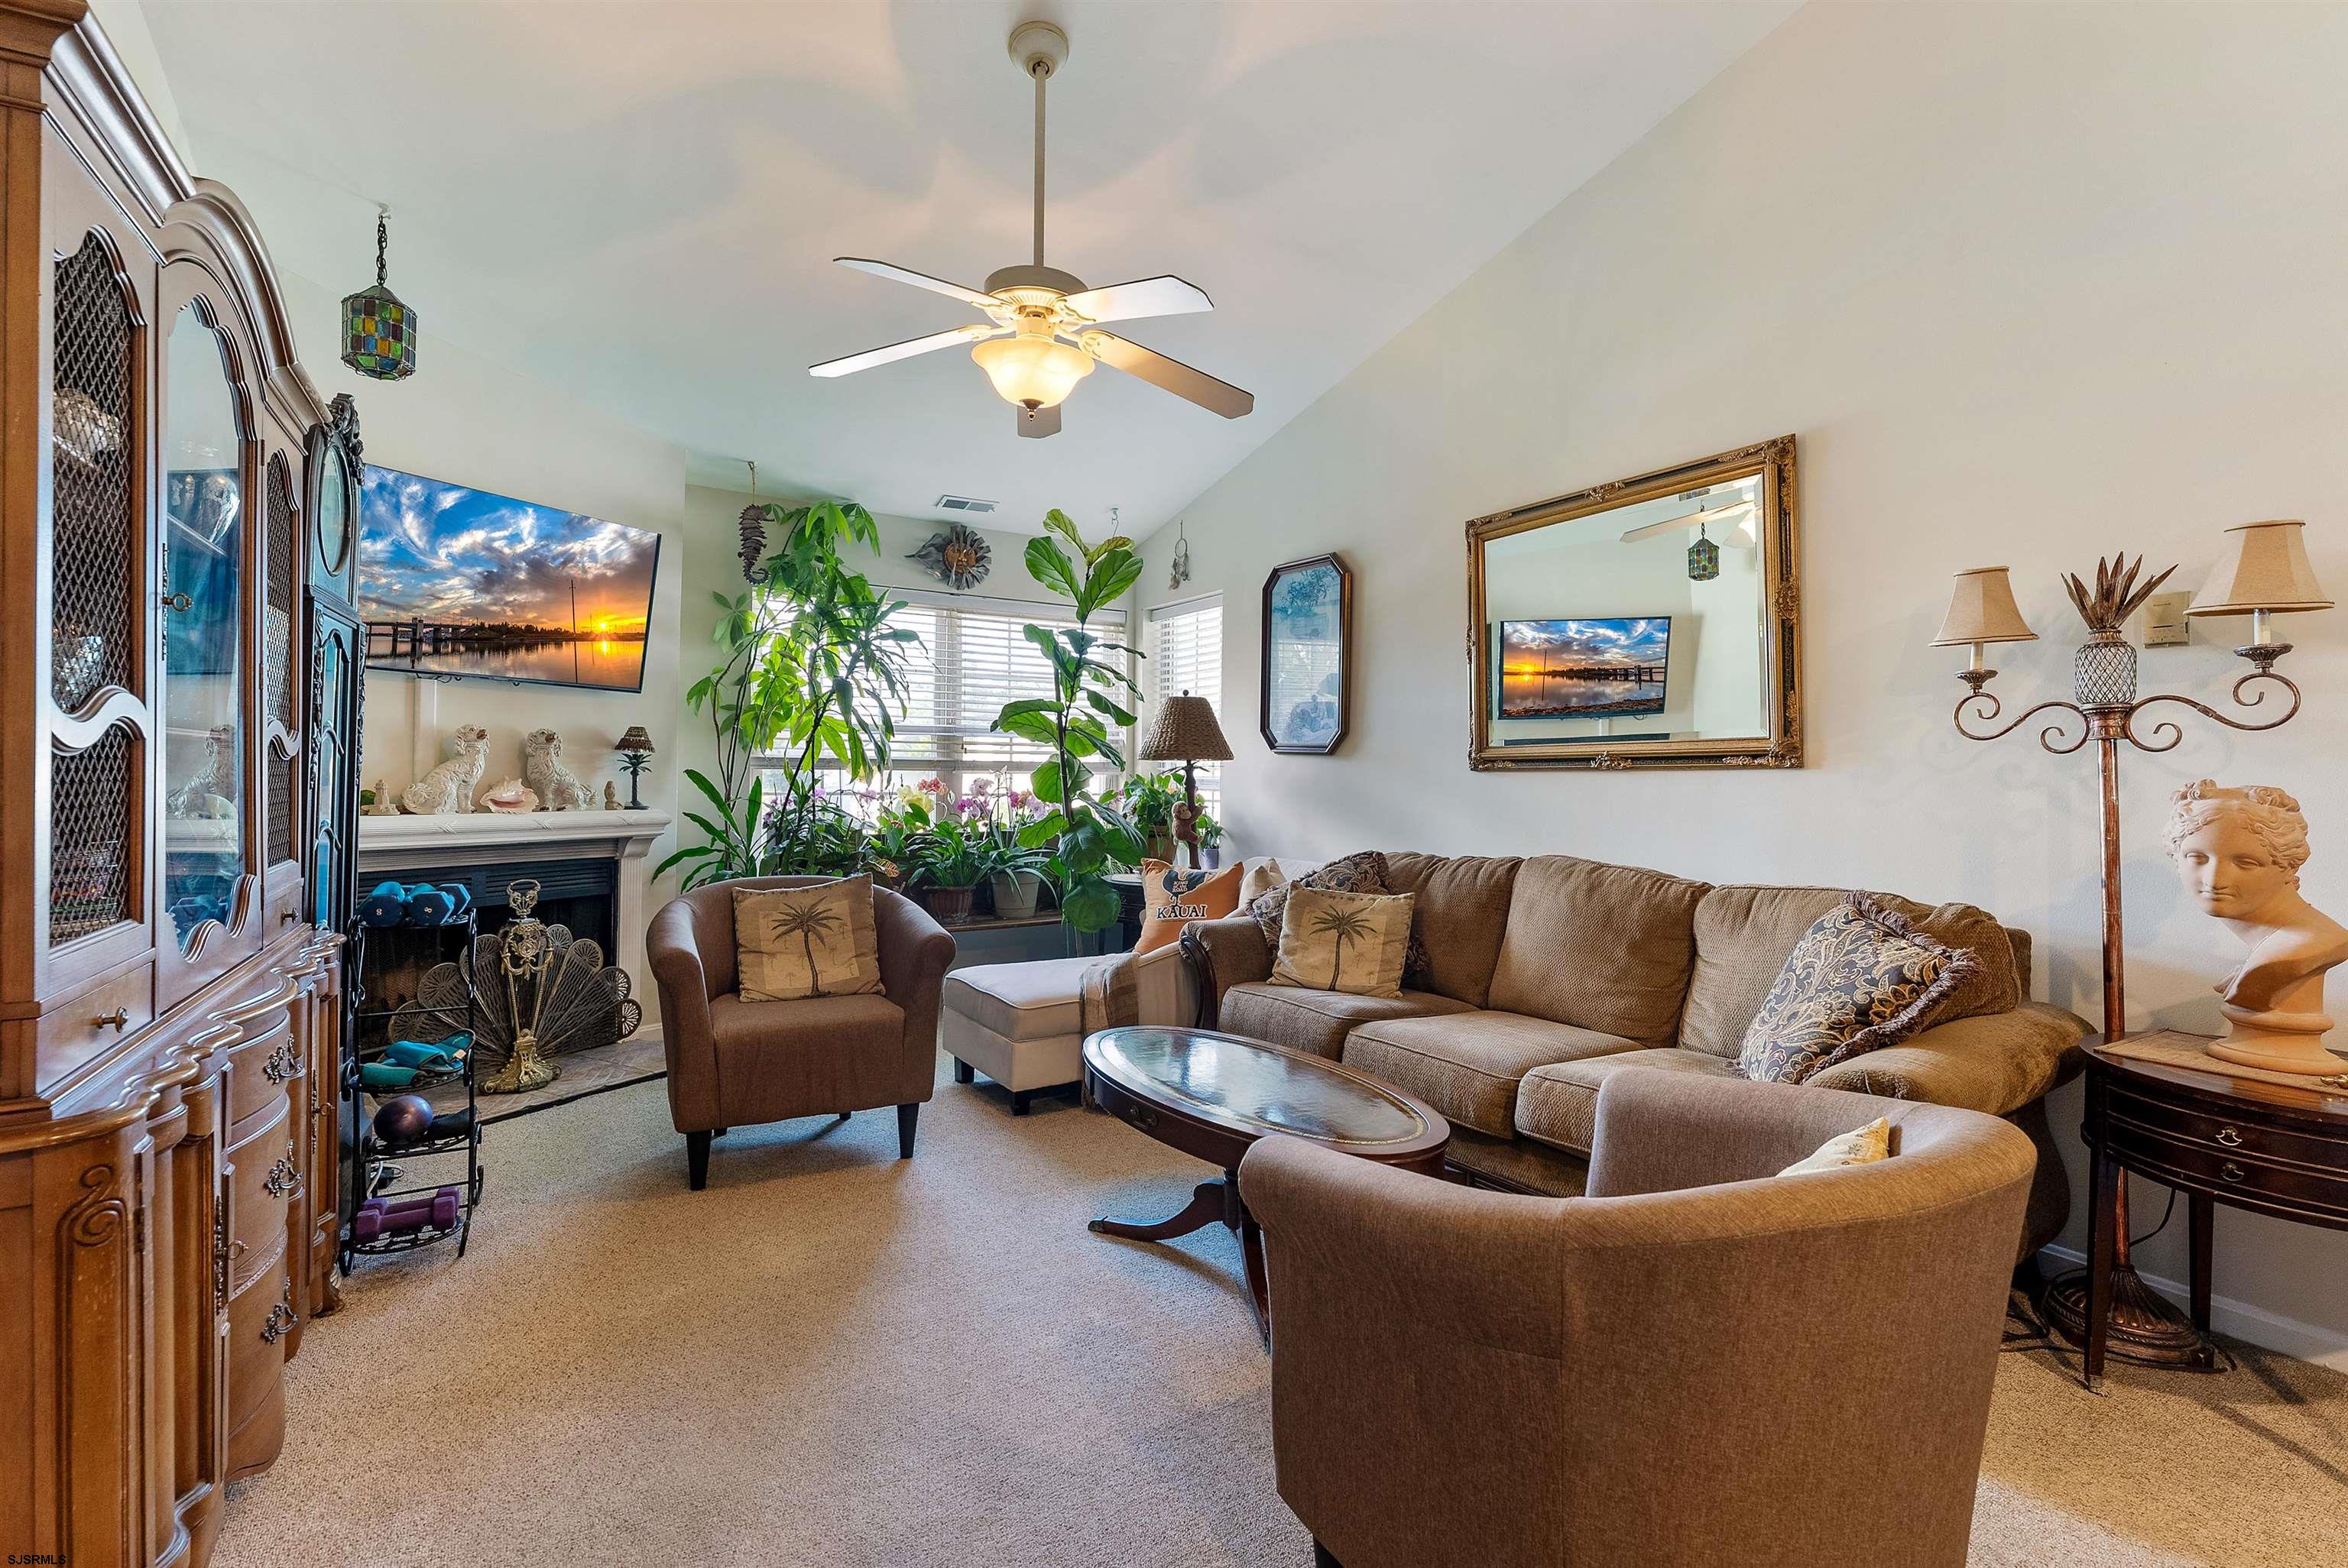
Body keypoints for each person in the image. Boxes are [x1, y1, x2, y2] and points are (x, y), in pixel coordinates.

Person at [2164, 779, 2348, 1076]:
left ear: (2287, 866)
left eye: (2245, 862)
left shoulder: (2306, 946)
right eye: (2197, 857)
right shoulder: (2270, 947)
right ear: (2175, 857)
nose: (2214, 879)